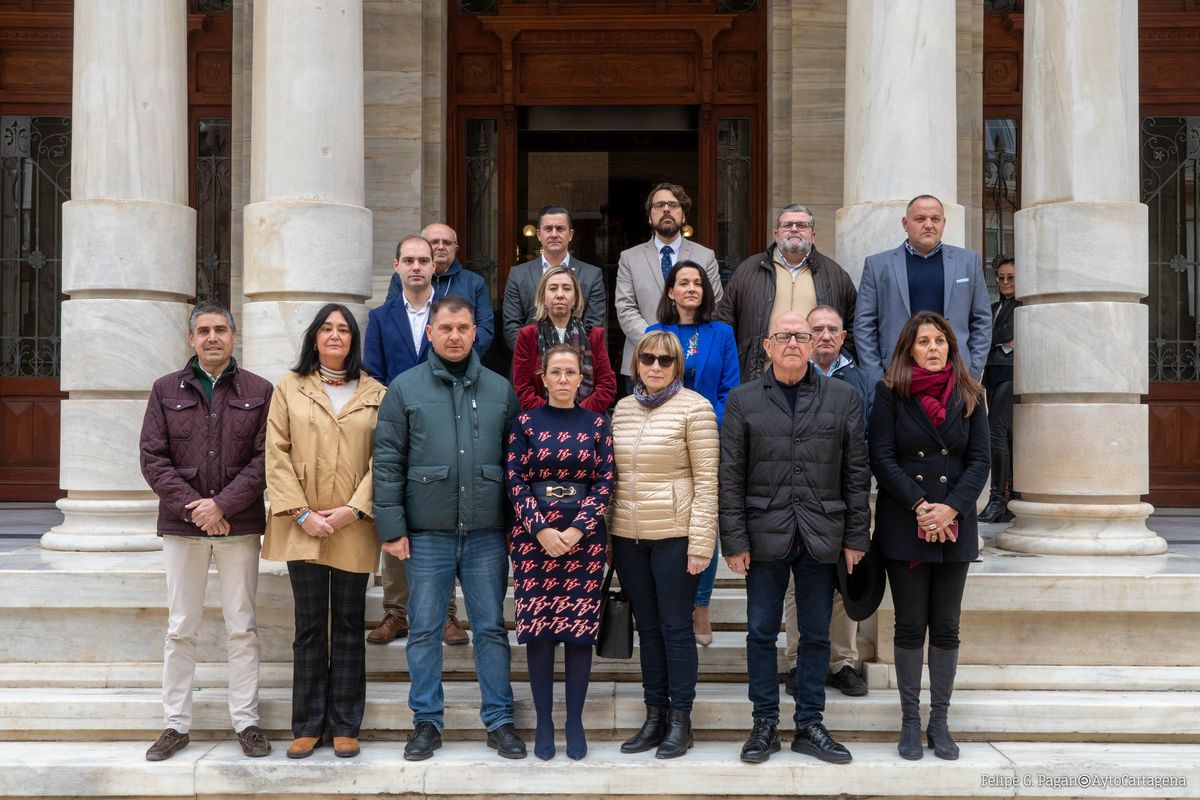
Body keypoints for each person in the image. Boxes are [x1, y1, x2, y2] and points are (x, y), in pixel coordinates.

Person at [373, 295, 526, 761]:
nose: (455, 336)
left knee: (491, 629)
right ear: (432, 334)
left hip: (485, 533)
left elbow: (516, 463)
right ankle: (425, 722)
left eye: (463, 328)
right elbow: (387, 461)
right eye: (446, 329)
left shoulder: (501, 389)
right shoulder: (404, 388)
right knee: (422, 629)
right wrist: (393, 527)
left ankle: (499, 720)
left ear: (474, 332)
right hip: (427, 532)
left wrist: (514, 524)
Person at [719, 311, 869, 766]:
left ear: (814, 344)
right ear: (767, 345)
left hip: (822, 532)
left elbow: (856, 473)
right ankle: (764, 723)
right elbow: (730, 475)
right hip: (764, 535)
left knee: (817, 634)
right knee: (762, 632)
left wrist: (856, 536)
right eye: (783, 336)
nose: (792, 343)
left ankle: (809, 723)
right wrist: (734, 540)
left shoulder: (842, 397)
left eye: (800, 336)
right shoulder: (744, 400)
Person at [138, 303, 273, 762]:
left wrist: (223, 505)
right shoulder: (164, 390)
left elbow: (264, 459)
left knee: (242, 627)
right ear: (191, 340)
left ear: (234, 337)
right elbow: (152, 458)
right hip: (183, 527)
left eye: (220, 330)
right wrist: (197, 509)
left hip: (238, 526)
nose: (212, 337)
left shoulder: (260, 390)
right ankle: (175, 725)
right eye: (203, 331)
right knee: (181, 628)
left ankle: (247, 722)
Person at [262, 303, 387, 760]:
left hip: (353, 526)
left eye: (344, 330)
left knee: (350, 624)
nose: (335, 336)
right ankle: (308, 724)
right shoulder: (289, 388)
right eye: (326, 329)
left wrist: (354, 510)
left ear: (354, 341)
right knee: (310, 626)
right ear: (314, 337)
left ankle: (346, 724)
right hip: (304, 526)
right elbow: (275, 451)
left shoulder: (376, 392)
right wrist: (300, 513)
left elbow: (384, 460)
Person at [867, 310, 989, 761]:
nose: (933, 349)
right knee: (910, 624)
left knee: (947, 625)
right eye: (924, 342)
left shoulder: (970, 393)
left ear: (951, 348)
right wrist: (921, 507)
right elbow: (881, 457)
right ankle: (910, 722)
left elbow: (980, 460)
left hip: (954, 526)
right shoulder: (889, 393)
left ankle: (940, 721)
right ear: (909, 348)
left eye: (940, 341)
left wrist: (951, 507)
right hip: (907, 524)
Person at [610, 330, 719, 760]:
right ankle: (654, 715)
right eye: (648, 358)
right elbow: (611, 477)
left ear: (677, 365)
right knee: (649, 630)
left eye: (665, 360)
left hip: (675, 536)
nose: (655, 366)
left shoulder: (696, 408)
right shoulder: (621, 410)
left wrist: (701, 542)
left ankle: (680, 720)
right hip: (628, 536)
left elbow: (708, 481)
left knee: (676, 629)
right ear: (637, 363)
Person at [506, 344, 615, 760]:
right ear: (544, 377)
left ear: (580, 378)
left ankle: (574, 721)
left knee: (577, 633)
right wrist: (541, 529)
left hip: (583, 541)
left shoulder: (597, 424)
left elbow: (605, 480)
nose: (565, 379)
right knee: (540, 632)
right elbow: (514, 480)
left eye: (572, 372)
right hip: (534, 542)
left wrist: (574, 530)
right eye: (557, 372)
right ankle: (545, 723)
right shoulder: (525, 423)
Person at [365, 235, 469, 647]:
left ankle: (446, 613)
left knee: (443, 523)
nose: (416, 267)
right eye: (408, 259)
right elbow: (372, 373)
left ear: (434, 267)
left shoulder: (450, 315)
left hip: (447, 429)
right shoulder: (380, 317)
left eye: (423, 260)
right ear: (396, 266)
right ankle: (396, 612)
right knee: (395, 516)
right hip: (397, 429)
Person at [645, 260, 739, 646]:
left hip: (707, 437)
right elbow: (646, 382)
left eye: (697, 283)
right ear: (670, 291)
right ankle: (667, 601)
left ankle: (700, 604)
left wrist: (700, 422)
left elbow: (730, 390)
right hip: (663, 440)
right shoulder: (656, 333)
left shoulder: (722, 333)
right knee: (669, 518)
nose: (690, 289)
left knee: (704, 520)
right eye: (682, 283)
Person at [781, 305, 873, 698]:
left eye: (832, 329)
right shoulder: (788, 375)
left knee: (843, 581)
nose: (824, 336)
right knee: (794, 586)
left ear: (843, 336)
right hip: (794, 497)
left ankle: (843, 662)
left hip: (843, 496)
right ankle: (799, 661)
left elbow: (866, 440)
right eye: (815, 328)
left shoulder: (863, 381)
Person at [853, 195, 992, 386]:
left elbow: (982, 319)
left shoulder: (968, 262)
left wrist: (972, 370)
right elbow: (864, 324)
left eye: (935, 219)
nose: (928, 225)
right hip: (896, 374)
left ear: (944, 223)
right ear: (905, 223)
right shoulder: (877, 265)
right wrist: (876, 377)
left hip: (955, 374)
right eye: (920, 219)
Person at [717, 204, 858, 383]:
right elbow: (725, 324)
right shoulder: (747, 271)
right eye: (787, 225)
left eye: (802, 225)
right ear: (776, 234)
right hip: (759, 377)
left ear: (813, 236)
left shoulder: (836, 275)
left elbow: (853, 329)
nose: (794, 230)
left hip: (817, 379)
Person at [615, 183, 723, 378]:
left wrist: (685, 347)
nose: (666, 209)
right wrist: (657, 344)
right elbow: (625, 308)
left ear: (683, 216)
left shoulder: (705, 256)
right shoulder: (629, 258)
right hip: (644, 360)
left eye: (673, 205)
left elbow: (713, 304)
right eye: (659, 205)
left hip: (694, 361)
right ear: (650, 217)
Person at [512, 265, 617, 414]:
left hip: (586, 422)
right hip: (541, 422)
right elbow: (523, 388)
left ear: (575, 298)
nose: (560, 294)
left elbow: (606, 387)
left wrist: (578, 414)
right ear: (543, 297)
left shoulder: (594, 336)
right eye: (553, 288)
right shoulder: (527, 335)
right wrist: (551, 415)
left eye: (567, 288)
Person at [502, 206, 606, 351]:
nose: (554, 234)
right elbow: (511, 327)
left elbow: (594, 328)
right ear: (538, 234)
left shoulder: (592, 275)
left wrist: (566, 363)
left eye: (560, 228)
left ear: (570, 235)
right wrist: (539, 361)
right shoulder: (518, 274)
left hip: (576, 368)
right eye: (548, 229)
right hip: (529, 365)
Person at [384, 223, 495, 356]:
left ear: (456, 248)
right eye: (435, 242)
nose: (441, 247)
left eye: (447, 243)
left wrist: (460, 356)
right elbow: (391, 320)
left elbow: (485, 329)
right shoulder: (401, 279)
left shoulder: (474, 283)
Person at [980, 257, 1019, 523]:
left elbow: (1004, 333)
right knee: (1005, 437)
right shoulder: (994, 306)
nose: (1005, 282)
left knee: (996, 434)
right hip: (992, 375)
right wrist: (996, 337)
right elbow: (988, 335)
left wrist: (992, 337)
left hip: (1012, 374)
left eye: (1011, 277)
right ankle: (1010, 502)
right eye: (1001, 277)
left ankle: (997, 500)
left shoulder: (1024, 306)